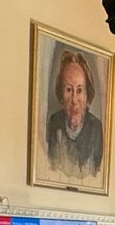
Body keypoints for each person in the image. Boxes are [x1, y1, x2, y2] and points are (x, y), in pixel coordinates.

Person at [41, 48, 104, 185]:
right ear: (61, 93)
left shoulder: (96, 129)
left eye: (79, 90)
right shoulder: (53, 123)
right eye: (69, 89)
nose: (74, 99)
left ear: (87, 95)